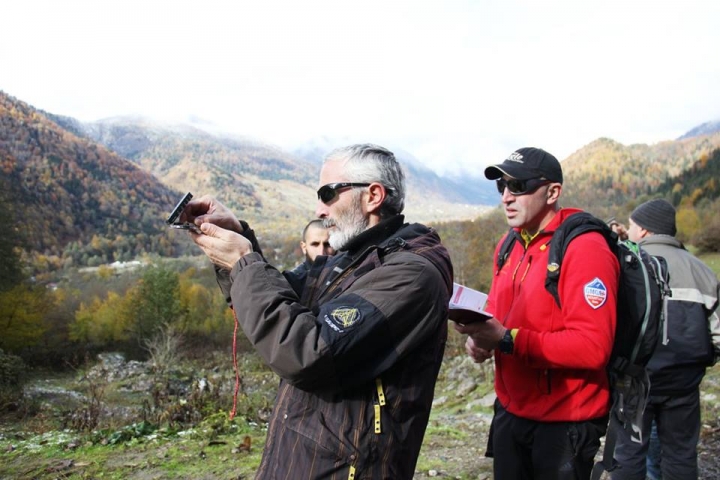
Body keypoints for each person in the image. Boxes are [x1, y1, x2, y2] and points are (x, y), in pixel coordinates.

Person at [180, 143, 454, 479]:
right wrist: (238, 237)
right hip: (301, 459)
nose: (319, 210)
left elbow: (306, 351)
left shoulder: (410, 275)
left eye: (328, 194)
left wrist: (242, 260)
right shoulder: (351, 259)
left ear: (373, 196)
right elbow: (278, 301)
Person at [455, 147, 619, 479]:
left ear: (552, 192)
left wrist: (507, 340)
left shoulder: (584, 247)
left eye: (518, 186)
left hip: (564, 420)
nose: (506, 197)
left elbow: (593, 347)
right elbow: (497, 314)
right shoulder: (508, 244)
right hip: (511, 412)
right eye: (501, 186)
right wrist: (481, 340)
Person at [611, 198, 720, 480]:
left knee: (627, 455)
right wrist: (703, 361)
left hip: (634, 381)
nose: (629, 231)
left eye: (632, 225)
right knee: (681, 454)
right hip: (684, 383)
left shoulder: (627, 266)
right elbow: (718, 334)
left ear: (645, 230)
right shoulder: (701, 270)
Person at [286, 219, 335, 293]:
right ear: (304, 247)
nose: (321, 252)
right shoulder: (292, 282)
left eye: (327, 244)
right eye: (315, 244)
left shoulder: (344, 275)